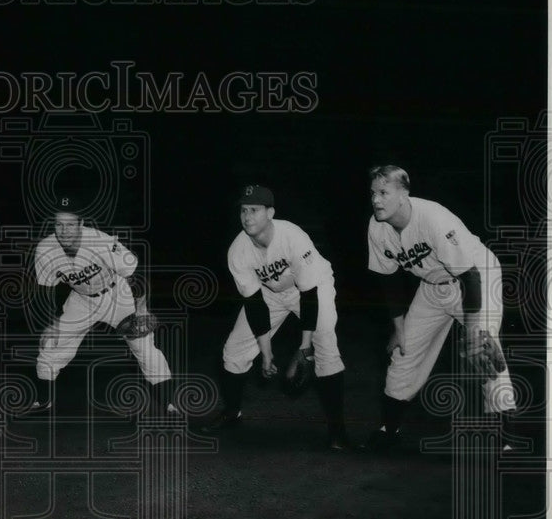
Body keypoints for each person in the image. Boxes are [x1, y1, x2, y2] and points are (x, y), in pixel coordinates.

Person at [365, 164, 516, 450]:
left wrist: (472, 330)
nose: (376, 199)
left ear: (404, 194)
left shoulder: (433, 219)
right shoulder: (377, 227)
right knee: (403, 350)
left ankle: (505, 441)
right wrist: (399, 329)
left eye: (384, 192)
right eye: (373, 192)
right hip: (432, 286)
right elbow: (388, 280)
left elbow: (469, 276)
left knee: (481, 350)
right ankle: (389, 429)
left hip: (475, 277)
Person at [215, 185, 350, 450]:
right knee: (234, 351)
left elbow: (309, 294)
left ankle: (338, 432)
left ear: (270, 213)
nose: (247, 216)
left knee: (326, 348)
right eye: (243, 210)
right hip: (270, 293)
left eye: (254, 210)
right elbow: (254, 304)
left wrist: (304, 347)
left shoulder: (292, 238)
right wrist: (266, 353)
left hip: (312, 287)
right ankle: (232, 413)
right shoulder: (238, 251)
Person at [22, 195, 178, 417]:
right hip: (81, 299)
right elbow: (45, 291)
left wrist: (141, 310)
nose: (64, 231)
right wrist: (53, 323)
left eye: (70, 224)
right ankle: (43, 401)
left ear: (81, 224)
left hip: (118, 294)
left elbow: (137, 275)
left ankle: (170, 404)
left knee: (144, 349)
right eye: (59, 224)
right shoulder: (45, 250)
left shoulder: (101, 242)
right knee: (50, 345)